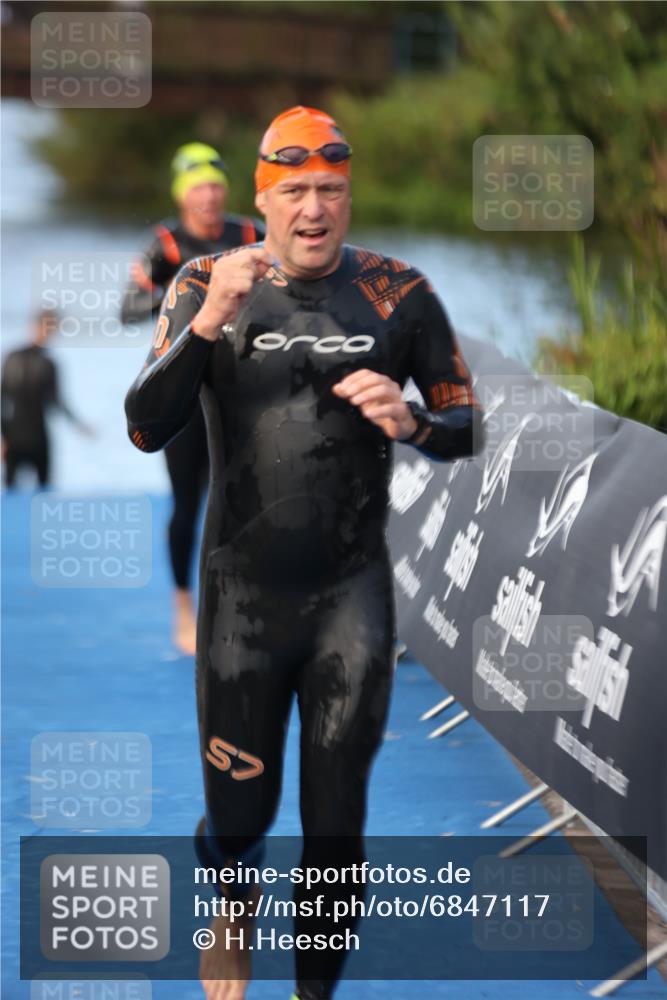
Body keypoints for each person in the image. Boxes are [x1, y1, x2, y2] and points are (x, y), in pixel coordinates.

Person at [125, 106, 484, 1000]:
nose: (314, 209)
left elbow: (464, 427)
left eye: (330, 190)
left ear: (348, 197)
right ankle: (232, 895)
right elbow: (143, 425)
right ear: (263, 200)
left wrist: (414, 422)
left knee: (335, 831)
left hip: (349, 602)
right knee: (237, 819)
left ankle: (309, 996)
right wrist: (207, 321)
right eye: (295, 192)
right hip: (240, 606)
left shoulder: (400, 292)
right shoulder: (207, 280)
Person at [121, 142, 265, 655]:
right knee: (187, 502)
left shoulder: (249, 234)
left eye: (216, 188)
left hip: (240, 386)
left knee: (247, 497)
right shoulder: (166, 244)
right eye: (199, 189)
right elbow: (128, 307)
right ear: (183, 197)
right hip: (183, 388)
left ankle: (241, 603)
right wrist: (191, 292)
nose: (209, 198)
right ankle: (183, 605)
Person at [1, 308, 92, 488]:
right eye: (46, 327)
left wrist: (78, 425)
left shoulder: (50, 363)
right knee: (10, 494)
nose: (48, 333)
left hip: (40, 437)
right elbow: (3, 398)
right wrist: (3, 438)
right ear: (34, 326)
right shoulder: (14, 358)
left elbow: (56, 402)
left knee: (43, 495)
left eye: (52, 329)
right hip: (14, 437)